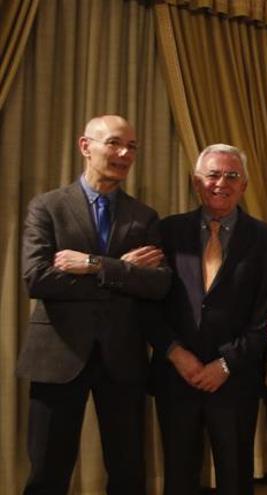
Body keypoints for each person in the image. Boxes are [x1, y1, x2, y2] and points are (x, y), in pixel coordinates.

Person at [18, 115, 171, 494]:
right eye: (115, 143)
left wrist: (93, 265)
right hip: (58, 354)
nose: (124, 154)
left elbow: (158, 284)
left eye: (132, 147)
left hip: (123, 359)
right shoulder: (48, 207)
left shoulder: (144, 216)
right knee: (47, 473)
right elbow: (37, 279)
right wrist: (123, 274)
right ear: (86, 146)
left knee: (128, 471)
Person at [150, 144, 267, 495]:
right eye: (213, 175)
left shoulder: (266, 239)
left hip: (235, 380)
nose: (221, 183)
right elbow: (149, 305)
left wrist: (225, 364)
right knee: (179, 475)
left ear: (244, 186)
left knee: (235, 477)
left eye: (232, 176)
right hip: (177, 376)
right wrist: (176, 354)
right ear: (196, 182)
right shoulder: (166, 232)